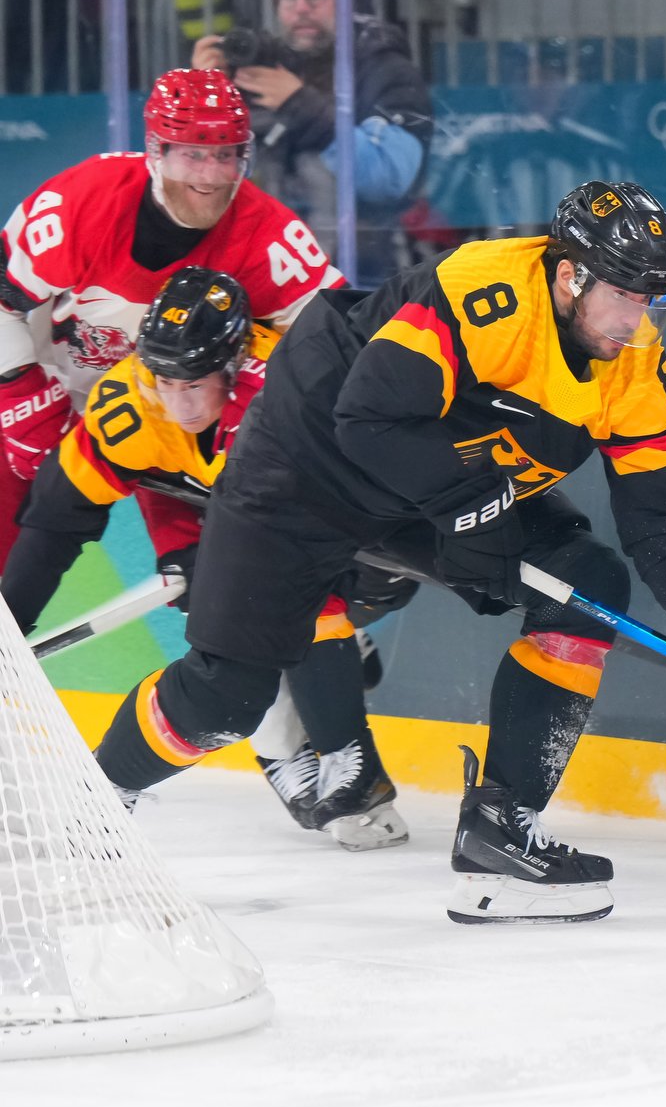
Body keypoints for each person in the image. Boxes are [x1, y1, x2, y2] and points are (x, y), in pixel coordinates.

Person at [88, 180, 666, 924]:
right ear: (569, 276)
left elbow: (663, 515)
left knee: (587, 581)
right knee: (225, 698)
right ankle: (91, 806)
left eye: (650, 300)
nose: (634, 320)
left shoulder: (634, 365)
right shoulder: (483, 291)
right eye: (622, 295)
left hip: (439, 486)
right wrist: (471, 507)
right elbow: (369, 419)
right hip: (307, 465)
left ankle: (500, 837)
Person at [1, 266, 409, 850]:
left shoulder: (287, 392)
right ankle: (303, 752)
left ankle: (343, 743)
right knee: (236, 627)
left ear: (234, 365)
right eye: (164, 381)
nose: (177, 402)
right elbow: (56, 515)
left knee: (314, 590)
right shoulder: (132, 400)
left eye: (193, 383)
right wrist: (10, 625)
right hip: (204, 499)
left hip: (345, 504)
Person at [0, 67, 343, 568]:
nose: (210, 176)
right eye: (193, 154)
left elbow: (339, 344)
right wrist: (17, 389)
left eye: (225, 155)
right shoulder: (83, 201)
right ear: (155, 151)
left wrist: (254, 406)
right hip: (57, 390)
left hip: (177, 421)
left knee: (220, 576)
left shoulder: (267, 236)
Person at [192, 0, 433, 281]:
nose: (301, 7)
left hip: (366, 274)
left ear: (346, 2)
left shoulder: (384, 68)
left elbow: (390, 177)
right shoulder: (259, 66)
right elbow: (199, 178)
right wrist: (206, 96)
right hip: (262, 271)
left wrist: (301, 106)